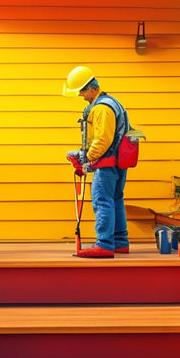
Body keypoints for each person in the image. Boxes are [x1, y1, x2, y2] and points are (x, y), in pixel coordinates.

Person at [63, 65, 130, 258]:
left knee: (102, 201)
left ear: (92, 87)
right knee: (115, 199)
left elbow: (102, 140)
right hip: (117, 162)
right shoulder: (112, 103)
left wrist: (86, 159)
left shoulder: (101, 108)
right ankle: (119, 242)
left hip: (106, 163)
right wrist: (81, 153)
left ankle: (104, 244)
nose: (81, 96)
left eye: (82, 91)